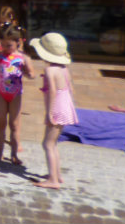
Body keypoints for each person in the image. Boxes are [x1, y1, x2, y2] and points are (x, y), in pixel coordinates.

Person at [31, 32, 79, 189]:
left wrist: (49, 113)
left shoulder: (50, 70)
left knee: (47, 144)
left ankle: (53, 180)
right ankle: (57, 174)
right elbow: (70, 88)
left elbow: (52, 91)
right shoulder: (63, 68)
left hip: (57, 109)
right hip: (65, 107)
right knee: (53, 143)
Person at [0, 24, 34, 164]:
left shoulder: (23, 58)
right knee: (1, 123)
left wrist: (27, 73)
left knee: (14, 124)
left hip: (15, 94)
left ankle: (14, 154)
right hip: (1, 93)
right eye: (3, 45)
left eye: (8, 45)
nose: (5, 48)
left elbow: (31, 74)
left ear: (18, 42)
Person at [0, 5, 18, 149]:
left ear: (13, 22)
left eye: (4, 22)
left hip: (12, 78)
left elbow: (21, 56)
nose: (1, 25)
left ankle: (15, 139)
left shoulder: (17, 38)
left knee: (14, 112)